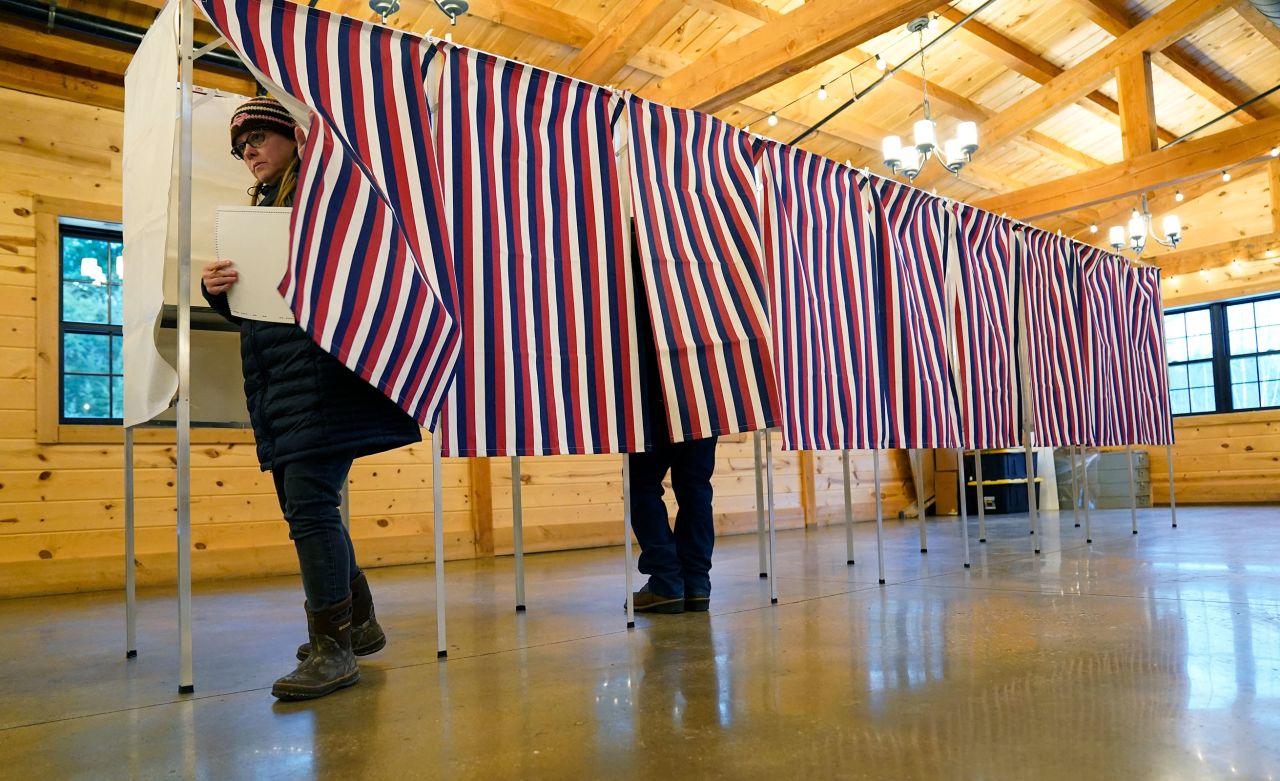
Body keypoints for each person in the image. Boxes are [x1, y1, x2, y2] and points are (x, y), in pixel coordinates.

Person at [202, 95, 421, 700]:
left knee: (310, 507)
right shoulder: (262, 212)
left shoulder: (328, 203)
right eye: (240, 146)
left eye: (259, 138)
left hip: (324, 381)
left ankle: (334, 647)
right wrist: (217, 291)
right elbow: (262, 310)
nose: (248, 151)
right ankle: (360, 622)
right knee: (307, 506)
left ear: (295, 140)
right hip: (282, 382)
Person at [627, 254, 719, 615]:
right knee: (696, 486)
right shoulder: (704, 261)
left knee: (641, 485)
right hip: (707, 389)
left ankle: (667, 581)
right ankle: (696, 583)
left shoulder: (633, 259)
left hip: (655, 390)